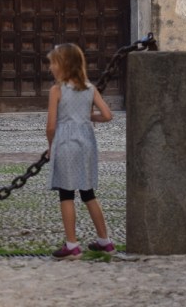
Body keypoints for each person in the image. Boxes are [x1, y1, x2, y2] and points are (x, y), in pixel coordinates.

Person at [45, 43, 115, 260]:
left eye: (53, 63)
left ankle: (72, 244)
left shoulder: (56, 90)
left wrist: (50, 147)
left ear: (64, 65)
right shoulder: (89, 88)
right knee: (88, 193)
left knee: (66, 194)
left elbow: (51, 126)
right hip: (86, 143)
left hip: (65, 143)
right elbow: (107, 115)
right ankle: (105, 241)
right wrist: (88, 118)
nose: (50, 67)